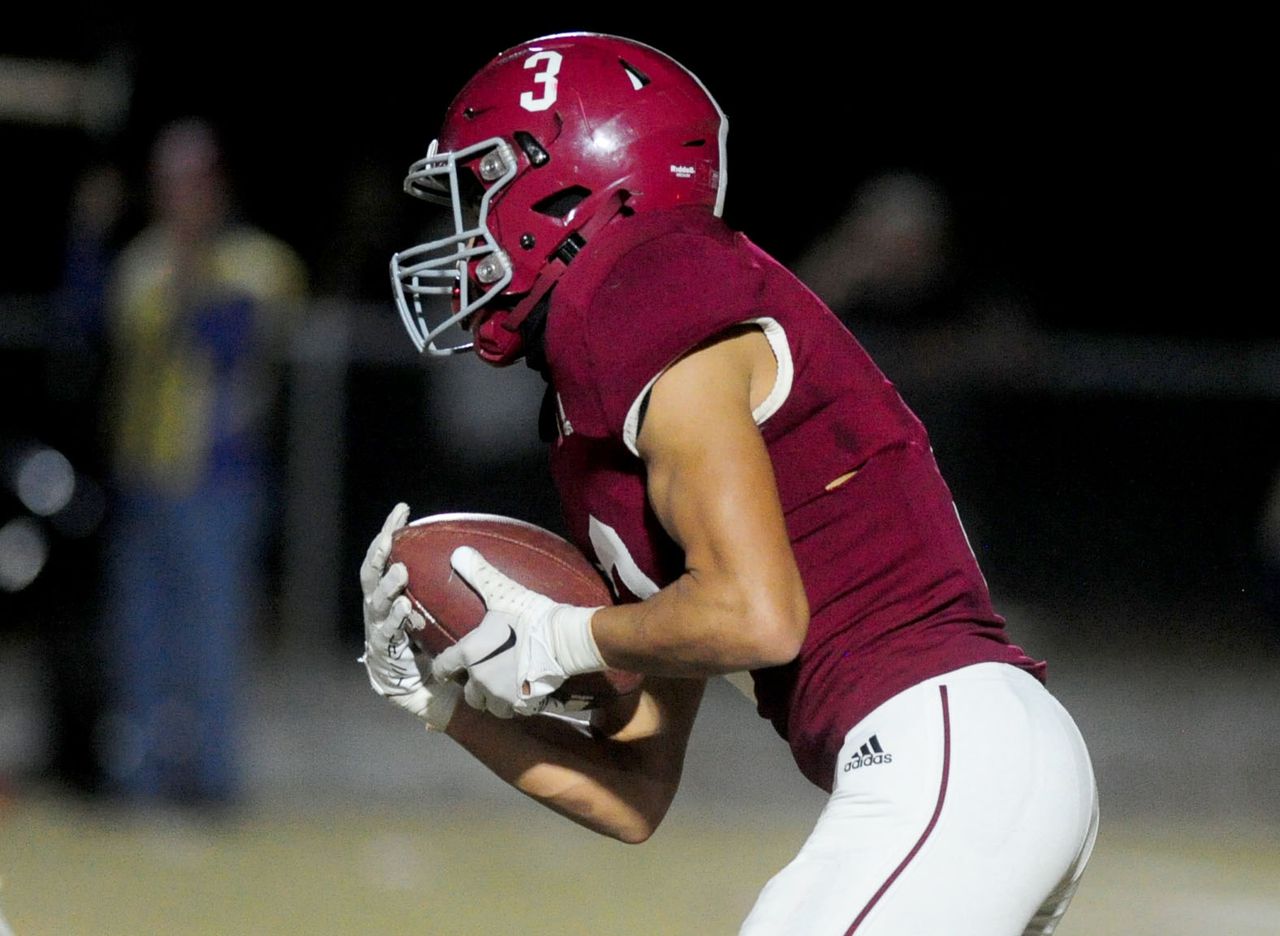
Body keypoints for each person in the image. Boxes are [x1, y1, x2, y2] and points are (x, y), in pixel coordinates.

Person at [361, 33, 1097, 935]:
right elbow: (634, 791)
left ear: (570, 183)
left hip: (944, 747)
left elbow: (757, 613)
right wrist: (452, 706)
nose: (467, 236)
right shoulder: (599, 401)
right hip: (955, 768)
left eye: (484, 188)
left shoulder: (647, 281)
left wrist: (561, 637)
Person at [100, 119, 306, 806]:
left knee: (211, 643)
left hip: (220, 483)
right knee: (141, 642)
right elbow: (100, 336)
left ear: (217, 187)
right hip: (143, 480)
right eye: (167, 184)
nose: (177, 198)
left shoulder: (260, 263)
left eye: (191, 183)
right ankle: (142, 785)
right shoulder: (140, 260)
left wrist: (192, 261)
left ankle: (213, 787)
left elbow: (224, 342)